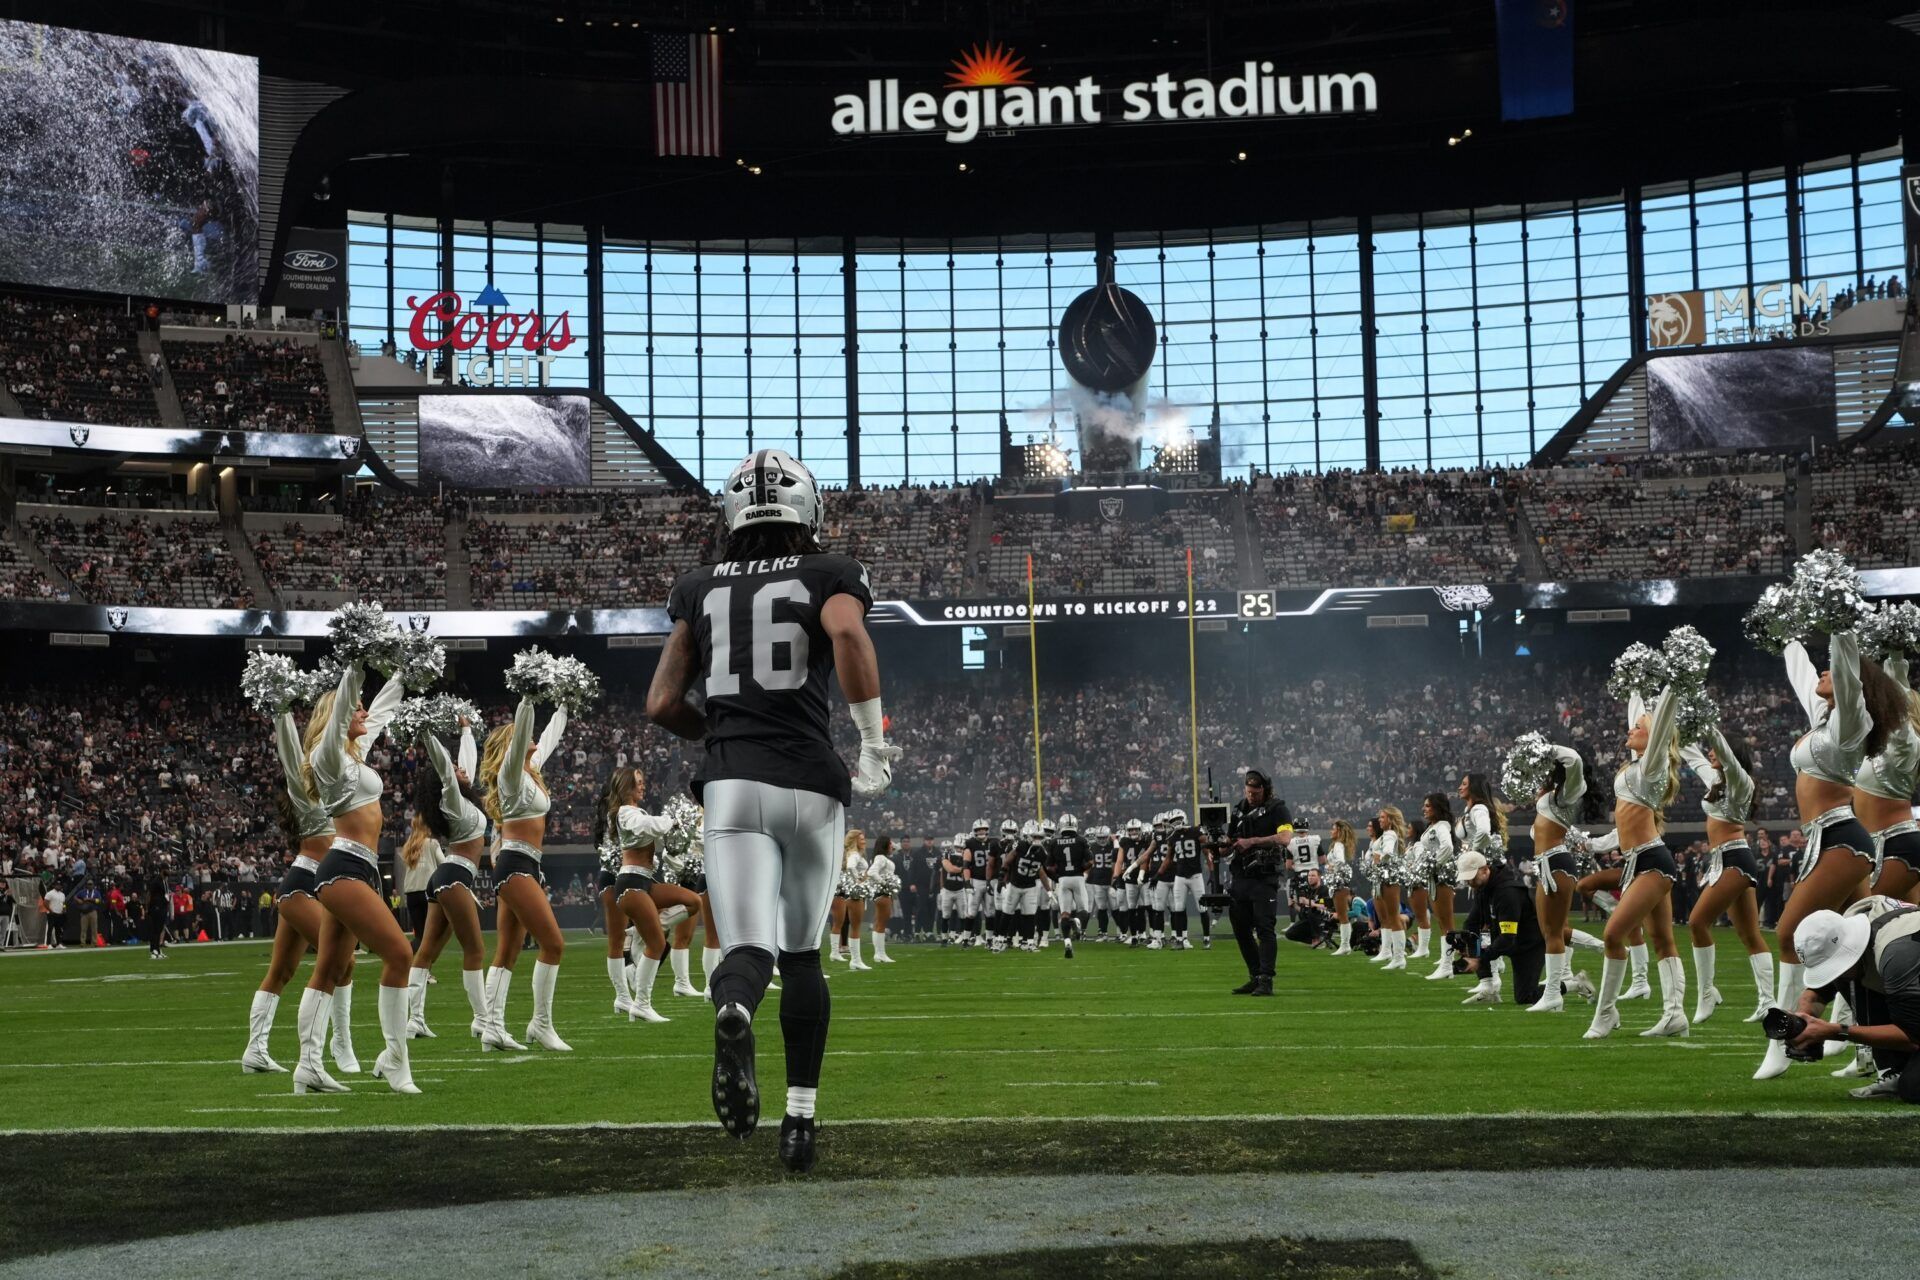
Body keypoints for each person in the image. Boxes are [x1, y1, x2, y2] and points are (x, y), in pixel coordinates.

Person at [645, 448, 898, 1174]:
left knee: (746, 952)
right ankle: (799, 1123)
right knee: (803, 955)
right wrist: (873, 743)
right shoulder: (829, 572)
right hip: (812, 782)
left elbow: (662, 703)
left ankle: (734, 1011)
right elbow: (848, 634)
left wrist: (719, 734)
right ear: (808, 510)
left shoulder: (697, 586)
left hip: (732, 784)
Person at [1757, 631, 1904, 1080]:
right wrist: (1785, 634)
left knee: (1787, 935)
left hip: (1841, 839)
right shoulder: (1825, 717)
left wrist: (1842, 631)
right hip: (1832, 839)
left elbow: (1843, 673)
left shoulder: (1851, 721)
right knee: (1861, 950)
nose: (1822, 672)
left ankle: (1783, 1042)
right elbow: (1803, 675)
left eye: (1831, 668)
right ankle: (1871, 1056)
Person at [303, 660, 422, 1094]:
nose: (362, 713)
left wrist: (408, 670)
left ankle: (308, 1067)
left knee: (330, 969)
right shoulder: (328, 755)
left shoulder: (354, 753)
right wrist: (354, 664)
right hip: (344, 868)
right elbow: (336, 723)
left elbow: (384, 709)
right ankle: (395, 1059)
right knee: (400, 954)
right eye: (355, 707)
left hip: (360, 869)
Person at [1585, 683, 1688, 1040]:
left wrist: (1672, 684)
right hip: (1637, 860)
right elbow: (1623, 828)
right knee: (1662, 938)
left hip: (1652, 863)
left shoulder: (1653, 767)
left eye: (1638, 728)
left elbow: (1660, 725)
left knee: (1615, 933)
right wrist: (1636, 688)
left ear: (1655, 737)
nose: (1630, 730)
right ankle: (1675, 1015)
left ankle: (1606, 1013)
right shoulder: (1634, 768)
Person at [481, 689, 573, 1052]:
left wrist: (567, 703)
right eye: (523, 736)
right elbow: (525, 734)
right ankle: (540, 1023)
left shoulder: (530, 772)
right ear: (513, 744)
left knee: (508, 948)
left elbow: (548, 736)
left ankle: (492, 1027)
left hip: (526, 865)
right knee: (553, 943)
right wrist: (527, 700)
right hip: (516, 864)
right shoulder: (510, 777)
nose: (532, 739)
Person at [400, 720, 497, 1045]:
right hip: (453, 877)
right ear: (445, 781)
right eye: (454, 770)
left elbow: (465, 764)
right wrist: (427, 733)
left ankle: (414, 1021)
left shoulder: (462, 801)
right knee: (475, 950)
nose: (461, 770)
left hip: (445, 878)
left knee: (426, 952)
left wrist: (468, 730)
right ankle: (484, 1023)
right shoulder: (451, 801)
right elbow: (445, 768)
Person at [1679, 726, 1775, 1026]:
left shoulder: (1740, 781)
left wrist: (1709, 726)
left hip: (1735, 858)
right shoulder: (1717, 780)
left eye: (1716, 749)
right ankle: (1768, 1003)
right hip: (1721, 859)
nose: (1710, 753)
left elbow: (1730, 762)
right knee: (1748, 933)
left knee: (1697, 922)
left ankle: (1707, 993)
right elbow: (1693, 758)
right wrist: (1673, 725)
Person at [1788, 897, 1920, 1101]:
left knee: (1914, 1087)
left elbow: (1913, 1037)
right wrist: (1803, 1017)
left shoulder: (1896, 954)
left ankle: (1901, 1069)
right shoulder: (1851, 926)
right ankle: (1896, 1068)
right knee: (1848, 978)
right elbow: (1819, 989)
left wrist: (1837, 1031)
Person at [1524, 742, 1609, 1013]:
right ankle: (1558, 988)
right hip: (1546, 863)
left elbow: (1572, 757)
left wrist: (1541, 748)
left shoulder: (1573, 789)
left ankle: (1553, 994)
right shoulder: (1558, 793)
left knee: (1553, 931)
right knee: (1550, 931)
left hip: (1557, 863)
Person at [1224, 770, 1294, 996]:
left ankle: (1266, 979)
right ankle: (1255, 975)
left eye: (1256, 792)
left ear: (1265, 789)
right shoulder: (1239, 809)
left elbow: (1284, 839)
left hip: (1264, 876)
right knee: (1241, 929)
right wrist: (1217, 845)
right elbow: (1230, 841)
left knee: (1264, 928)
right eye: (1248, 792)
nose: (1251, 796)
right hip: (1241, 875)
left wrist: (1252, 841)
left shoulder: (1278, 808)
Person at [1456, 850, 1546, 1007]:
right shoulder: (1482, 887)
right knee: (1469, 934)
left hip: (1527, 944)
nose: (1469, 882)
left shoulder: (1507, 893)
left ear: (1485, 870)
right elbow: (1472, 922)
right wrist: (1463, 944)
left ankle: (1573, 984)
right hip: (1504, 937)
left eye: (1471, 877)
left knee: (1525, 996)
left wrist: (1479, 959)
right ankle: (1488, 987)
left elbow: (1508, 937)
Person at [1322, 819, 1357, 955]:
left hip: (1339, 884)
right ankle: (1345, 945)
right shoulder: (1337, 844)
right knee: (1342, 915)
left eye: (1333, 829)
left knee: (1342, 915)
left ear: (1339, 831)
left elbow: (1340, 862)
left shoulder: (1338, 845)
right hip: (1338, 884)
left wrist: (1330, 867)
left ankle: (1345, 945)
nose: (1331, 831)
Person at [867, 836, 900, 963]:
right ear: (885, 845)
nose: (892, 846)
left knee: (879, 923)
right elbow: (871, 872)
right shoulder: (880, 858)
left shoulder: (882, 857)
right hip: (882, 893)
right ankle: (880, 954)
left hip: (883, 893)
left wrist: (892, 845)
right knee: (880, 924)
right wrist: (885, 883)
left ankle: (879, 954)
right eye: (890, 843)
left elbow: (897, 848)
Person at [41, 882, 65, 949]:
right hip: (52, 914)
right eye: (57, 885)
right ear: (54, 885)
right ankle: (49, 944)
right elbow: (45, 903)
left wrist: (64, 909)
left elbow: (63, 903)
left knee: (58, 930)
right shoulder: (50, 893)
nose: (59, 886)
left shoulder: (62, 894)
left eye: (60, 885)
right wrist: (50, 910)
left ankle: (59, 944)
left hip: (59, 914)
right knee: (50, 929)